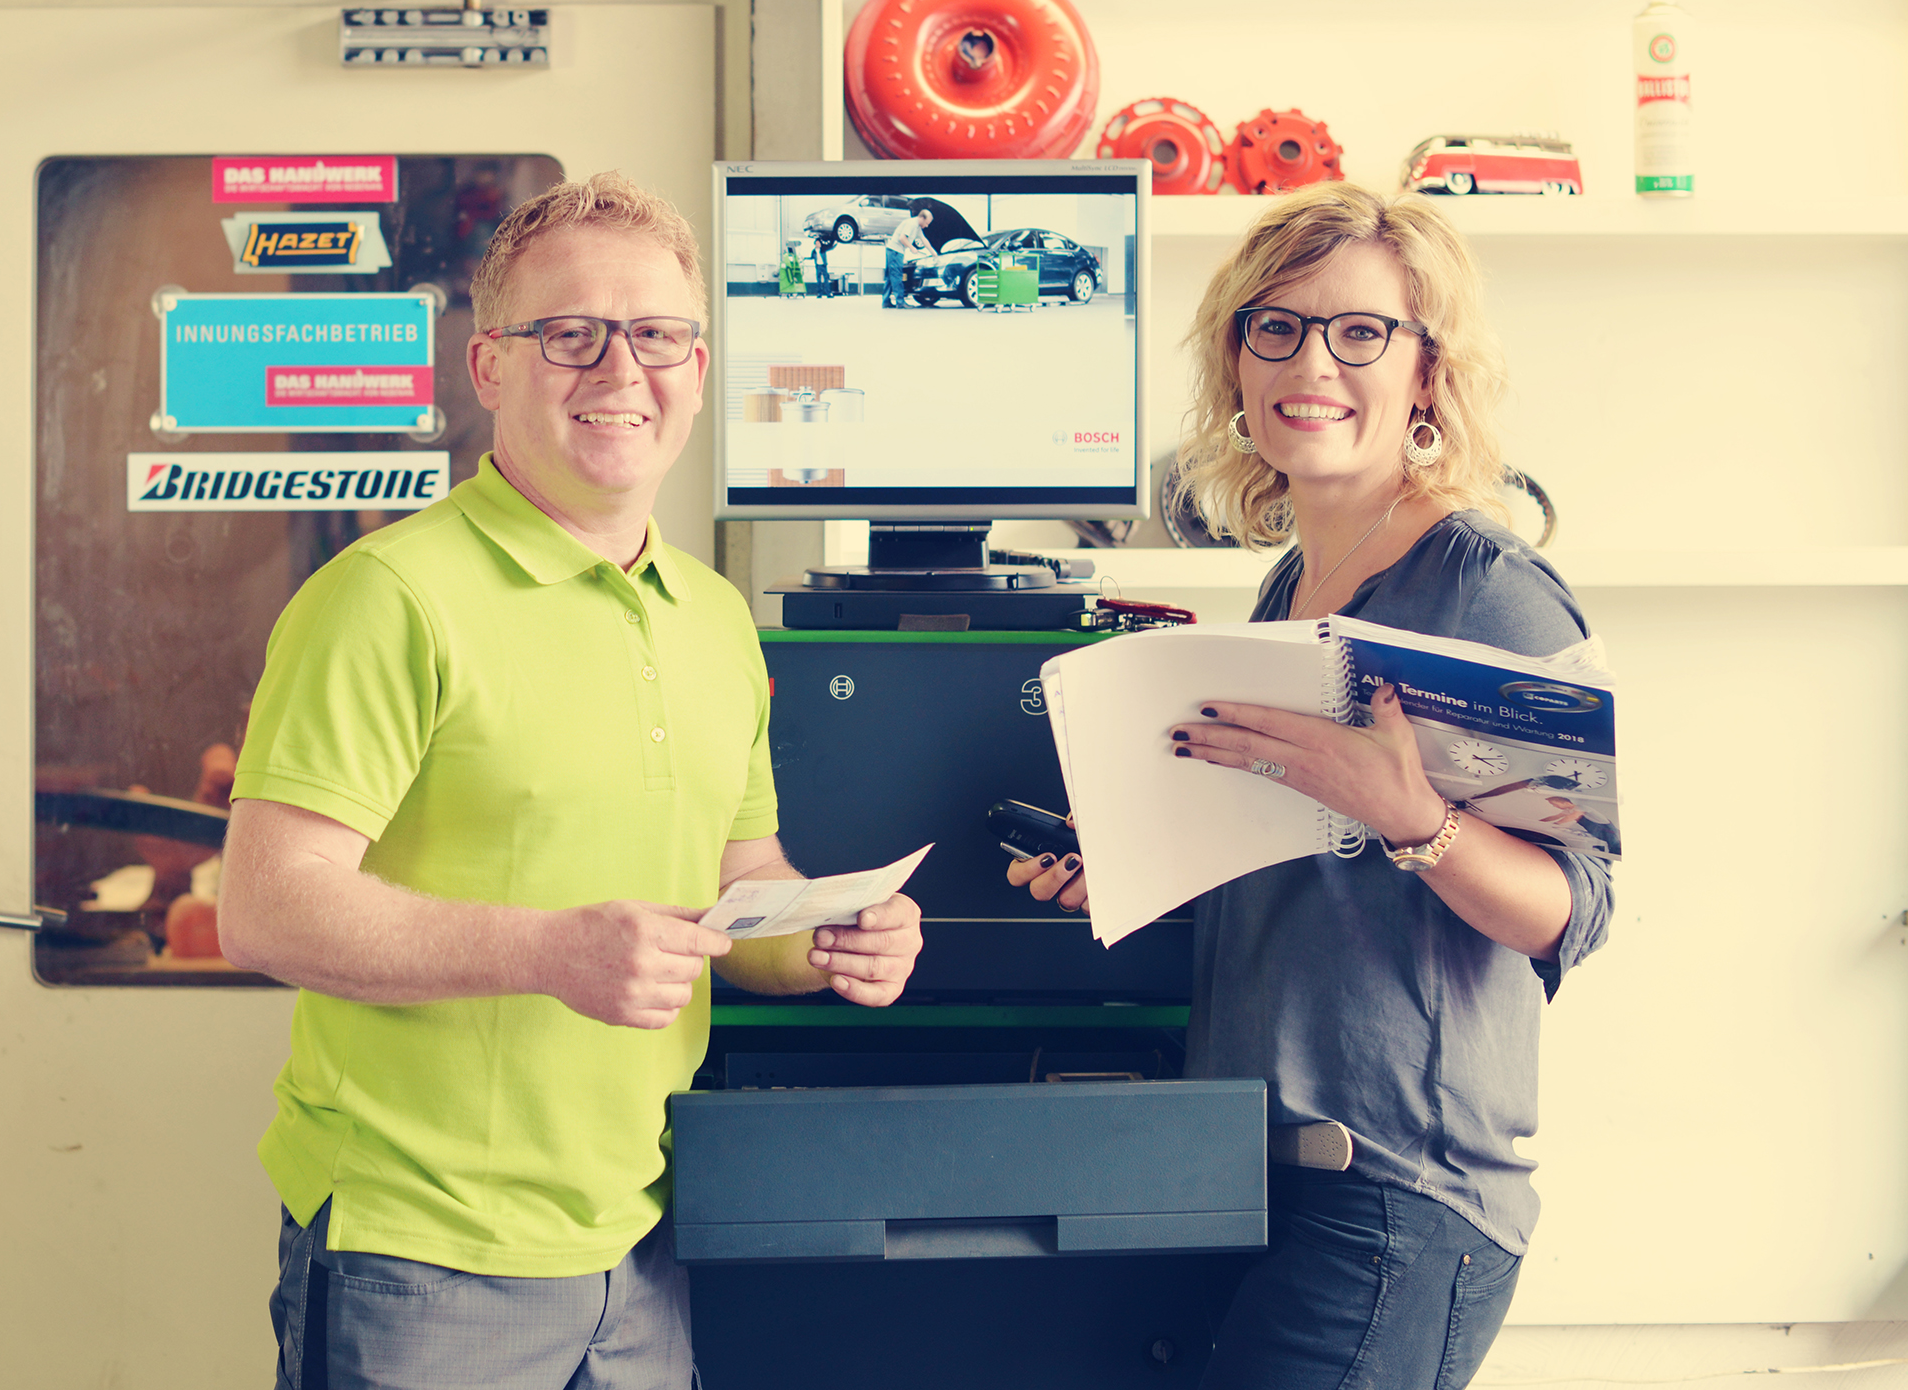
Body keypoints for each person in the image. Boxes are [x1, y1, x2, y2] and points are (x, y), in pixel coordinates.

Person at [218, 172, 926, 1390]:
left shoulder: (711, 616)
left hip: (642, 1234)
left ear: (697, 367)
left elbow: (738, 879)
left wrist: (825, 938)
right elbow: (267, 905)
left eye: (655, 333)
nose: (619, 368)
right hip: (422, 1246)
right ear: (489, 365)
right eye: (570, 333)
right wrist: (550, 950)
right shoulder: (388, 598)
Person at [1010, 181, 1611, 1389]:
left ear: (1427, 370)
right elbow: (1310, 877)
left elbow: (1573, 907)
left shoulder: (1486, 592)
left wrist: (1414, 817)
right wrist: (1137, 848)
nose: (1310, 364)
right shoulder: (1292, 583)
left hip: (1397, 1196)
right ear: (1235, 361)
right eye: (1275, 327)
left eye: (1359, 331)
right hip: (1259, 1169)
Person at [883, 204, 934, 308]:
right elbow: (902, 238)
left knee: (890, 277)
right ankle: (900, 302)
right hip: (895, 251)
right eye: (926, 223)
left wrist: (934, 253)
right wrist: (912, 247)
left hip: (892, 250)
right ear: (922, 218)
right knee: (897, 276)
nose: (927, 226)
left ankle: (886, 301)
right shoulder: (912, 224)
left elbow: (924, 240)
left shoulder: (917, 226)